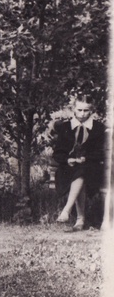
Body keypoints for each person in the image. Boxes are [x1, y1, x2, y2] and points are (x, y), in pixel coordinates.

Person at [52, 97, 107, 231]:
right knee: (78, 173)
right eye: (79, 110)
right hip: (68, 168)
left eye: (86, 111)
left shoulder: (98, 128)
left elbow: (101, 152)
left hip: (92, 167)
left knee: (82, 171)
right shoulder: (65, 127)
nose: (82, 114)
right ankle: (78, 218)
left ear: (91, 111)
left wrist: (86, 158)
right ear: (73, 110)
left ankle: (70, 212)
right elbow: (58, 152)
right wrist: (67, 160)